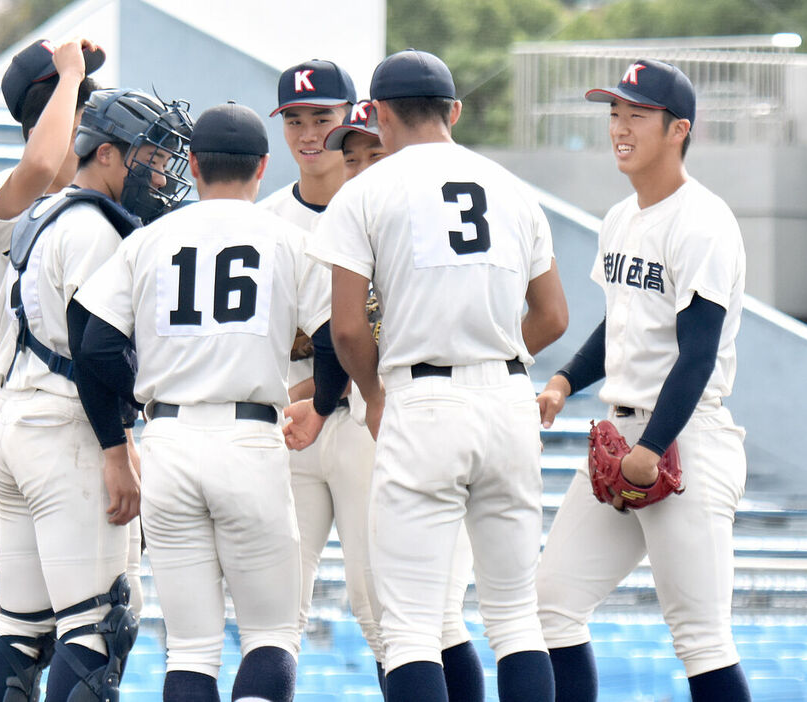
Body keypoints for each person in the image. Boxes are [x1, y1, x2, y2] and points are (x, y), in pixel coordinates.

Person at [306, 49, 568, 702]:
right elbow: (553, 315)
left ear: (381, 115)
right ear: (452, 111)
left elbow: (344, 328)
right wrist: (501, 362)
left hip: (421, 398)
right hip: (507, 396)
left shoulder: (365, 188)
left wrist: (372, 393)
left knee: (412, 629)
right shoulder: (511, 188)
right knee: (514, 618)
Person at [72, 101, 344, 702]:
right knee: (270, 635)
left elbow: (93, 346)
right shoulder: (287, 237)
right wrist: (323, 405)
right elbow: (337, 338)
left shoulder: (150, 239)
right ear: (263, 167)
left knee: (191, 649)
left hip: (167, 440)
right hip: (249, 438)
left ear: (192, 165)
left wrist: (129, 422)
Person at [535, 59, 751, 701]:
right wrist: (566, 381)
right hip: (624, 434)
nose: (621, 127)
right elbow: (620, 326)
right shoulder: (621, 218)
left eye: (638, 114)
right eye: (615, 113)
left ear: (678, 128)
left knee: (701, 638)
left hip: (686, 439)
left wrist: (651, 451)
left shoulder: (703, 221)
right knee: (551, 604)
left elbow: (697, 353)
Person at [0, 86, 193, 702]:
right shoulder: (96, 228)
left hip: (12, 421)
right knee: (98, 625)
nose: (159, 171)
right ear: (111, 156)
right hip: (66, 429)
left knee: (21, 628)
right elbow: (100, 352)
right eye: (150, 156)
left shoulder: (41, 213)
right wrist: (117, 446)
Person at [293, 99, 487, 699]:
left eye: (372, 152)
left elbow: (347, 335)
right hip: (382, 417)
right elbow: (331, 339)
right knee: (383, 612)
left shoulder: (415, 225)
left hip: (417, 418)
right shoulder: (353, 217)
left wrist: (362, 389)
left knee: (420, 618)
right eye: (350, 159)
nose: (359, 168)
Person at [261, 59, 391, 671]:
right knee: (276, 608)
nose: (308, 134)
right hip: (292, 429)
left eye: (322, 117)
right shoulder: (264, 219)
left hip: (365, 419)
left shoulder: (385, 210)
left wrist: (318, 370)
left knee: (380, 608)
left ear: (349, 119)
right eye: (295, 119)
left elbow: (381, 339)